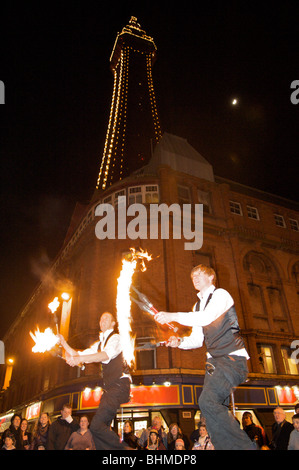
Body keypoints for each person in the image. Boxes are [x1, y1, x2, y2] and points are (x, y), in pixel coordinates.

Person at [154, 264, 254, 450]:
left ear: (211, 277)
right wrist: (180, 342)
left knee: (206, 401)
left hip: (232, 359)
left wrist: (172, 315)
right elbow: (196, 340)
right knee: (211, 409)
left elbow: (206, 317)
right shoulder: (197, 306)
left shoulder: (221, 295)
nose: (195, 278)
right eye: (192, 276)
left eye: (199, 274)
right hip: (214, 364)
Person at [59, 312, 131, 450]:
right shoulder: (99, 344)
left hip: (119, 386)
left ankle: (125, 449)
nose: (102, 319)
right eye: (101, 318)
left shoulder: (116, 338)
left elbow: (105, 356)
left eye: (106, 318)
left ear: (113, 323)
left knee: (96, 425)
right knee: (97, 432)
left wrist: (79, 360)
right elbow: (79, 354)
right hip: (110, 389)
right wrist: (63, 342)